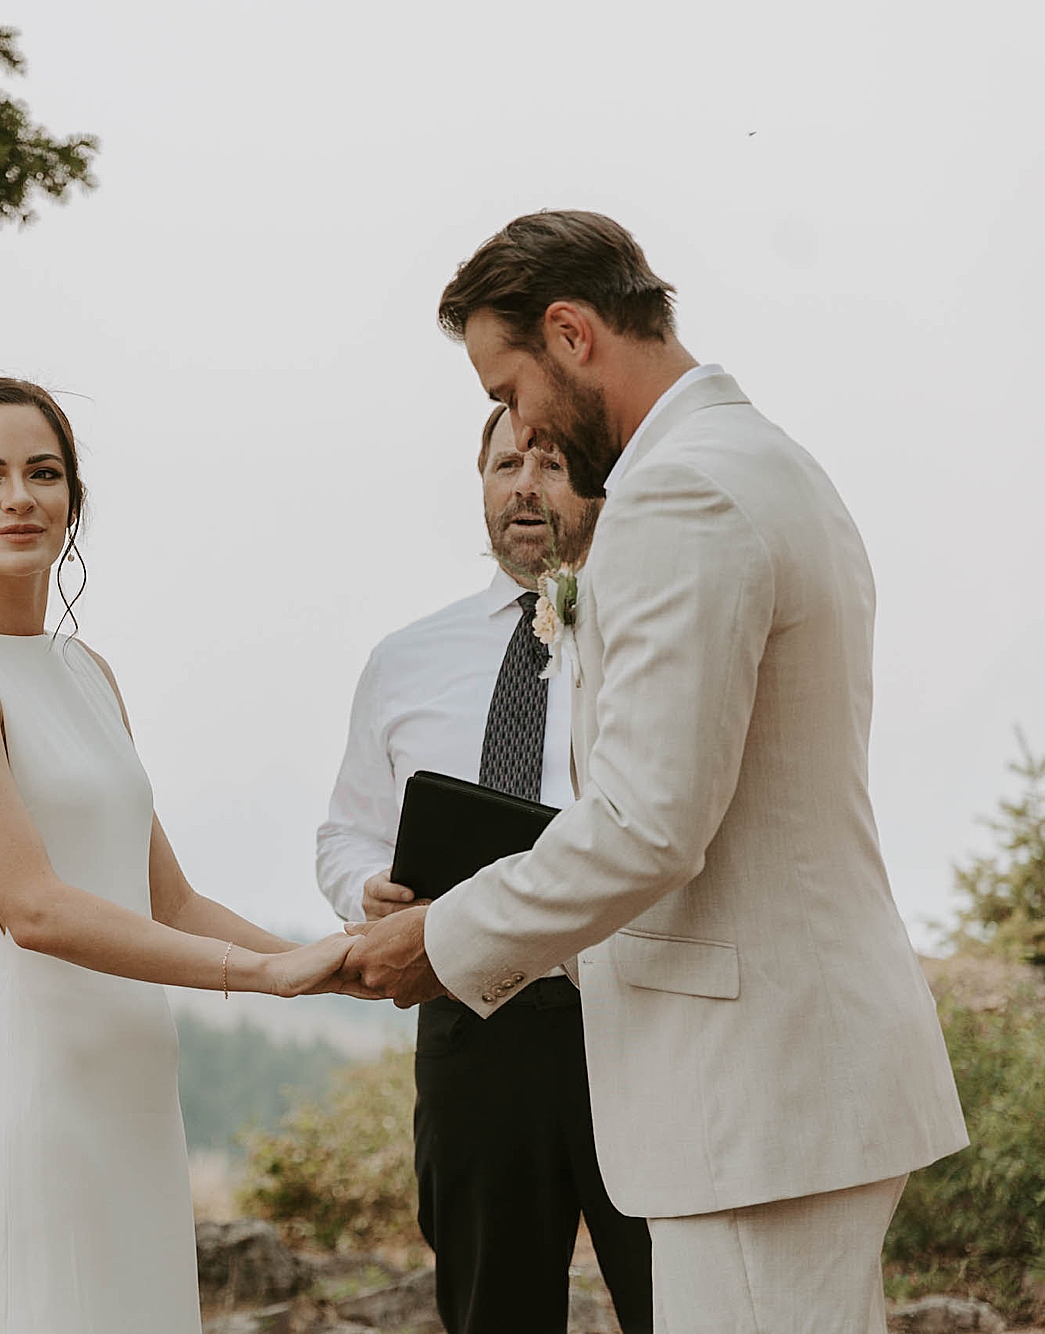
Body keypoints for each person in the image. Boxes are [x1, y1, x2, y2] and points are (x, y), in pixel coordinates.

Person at [341, 210, 968, 1333]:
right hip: (789, 1081)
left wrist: (437, 937)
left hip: (751, 1100)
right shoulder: (765, 460)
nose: (514, 421)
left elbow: (643, 823)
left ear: (571, 333)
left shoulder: (676, 497)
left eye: (507, 386)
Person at [0, 377, 365, 1334]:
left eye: (44, 473)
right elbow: (35, 909)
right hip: (35, 1080)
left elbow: (172, 903)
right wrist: (266, 977)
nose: (18, 497)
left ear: (72, 499)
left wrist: (336, 966)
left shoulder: (85, 670)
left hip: (135, 1086)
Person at [317, 404, 650, 1333]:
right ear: (482, 484)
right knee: (488, 1312)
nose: (526, 486)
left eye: (550, 463)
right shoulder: (404, 660)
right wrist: (365, 891)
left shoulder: (648, 637)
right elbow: (342, 834)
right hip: (471, 1027)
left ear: (596, 479)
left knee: (676, 1298)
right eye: (507, 465)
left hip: (634, 1016)